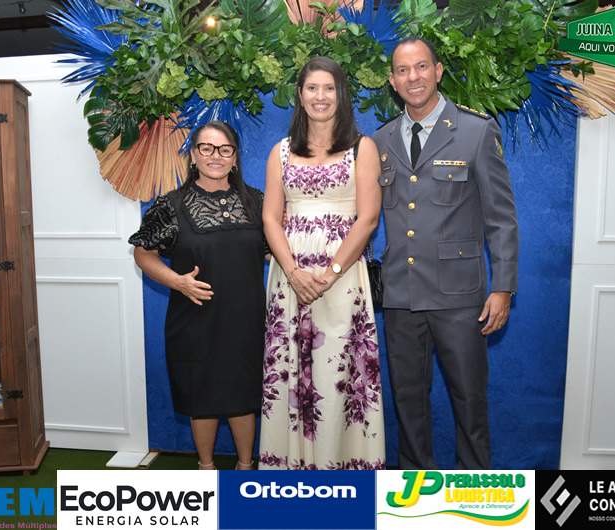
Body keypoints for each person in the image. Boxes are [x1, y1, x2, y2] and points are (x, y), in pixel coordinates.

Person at [373, 37, 518, 469]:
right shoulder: (380, 141)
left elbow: (501, 218)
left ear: (437, 71)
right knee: (407, 402)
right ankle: (416, 492)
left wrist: (503, 288)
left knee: (469, 400)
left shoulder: (475, 131)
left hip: (459, 297)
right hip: (401, 295)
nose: (413, 77)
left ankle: (473, 492)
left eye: (421, 67)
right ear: (392, 81)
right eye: (403, 70)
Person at [259, 56, 386, 470]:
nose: (320, 96)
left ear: (341, 94)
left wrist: (330, 274)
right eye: (312, 88)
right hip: (289, 278)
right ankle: (290, 470)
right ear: (300, 95)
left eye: (329, 88)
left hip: (343, 278)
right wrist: (294, 272)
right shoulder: (280, 153)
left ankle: (343, 469)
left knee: (339, 374)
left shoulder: (362, 149)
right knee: (290, 370)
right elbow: (270, 218)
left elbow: (368, 218)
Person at [129, 121, 265, 470]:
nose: (215, 156)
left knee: (243, 392)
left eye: (224, 149)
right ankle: (206, 468)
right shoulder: (171, 205)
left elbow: (272, 251)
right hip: (195, 320)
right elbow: (143, 253)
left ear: (235, 158)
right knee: (202, 394)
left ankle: (245, 466)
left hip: (246, 320)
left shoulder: (257, 202)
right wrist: (178, 282)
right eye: (206, 148)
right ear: (193, 155)